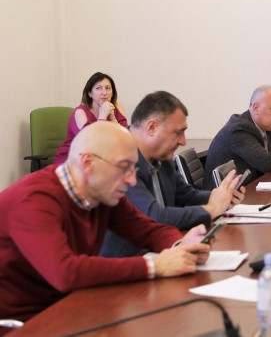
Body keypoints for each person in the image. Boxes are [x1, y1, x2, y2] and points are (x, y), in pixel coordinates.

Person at [0, 123, 215, 322]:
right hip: (23, 321)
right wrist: (154, 265)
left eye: (133, 169)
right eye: (124, 167)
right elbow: (65, 272)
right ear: (88, 163)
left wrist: (181, 246)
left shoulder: (100, 192)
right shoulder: (34, 201)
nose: (131, 180)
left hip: (71, 305)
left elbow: (148, 230)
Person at [100, 91, 244, 258]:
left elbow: (185, 196)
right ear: (152, 127)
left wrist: (220, 196)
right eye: (177, 133)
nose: (183, 141)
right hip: (128, 260)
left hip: (160, 250)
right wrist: (211, 209)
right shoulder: (121, 159)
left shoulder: (161, 155)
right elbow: (154, 216)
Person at [204, 85, 271, 188]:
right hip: (223, 195)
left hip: (247, 188)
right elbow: (264, 162)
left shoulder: (265, 127)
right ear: (256, 108)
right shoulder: (239, 129)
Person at [54, 72, 128, 164]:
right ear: (90, 93)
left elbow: (124, 140)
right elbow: (91, 144)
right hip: (74, 159)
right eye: (98, 88)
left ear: (112, 92)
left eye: (108, 88)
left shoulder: (117, 107)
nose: (104, 93)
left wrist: (112, 117)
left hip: (102, 158)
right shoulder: (80, 112)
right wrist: (102, 116)